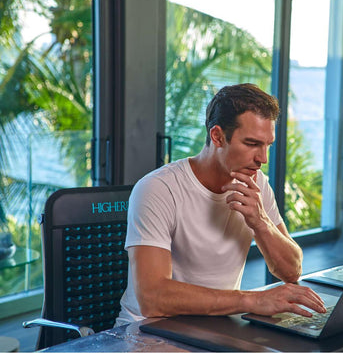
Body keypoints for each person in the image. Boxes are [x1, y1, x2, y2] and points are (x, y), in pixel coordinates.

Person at [115, 83, 326, 326]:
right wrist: (252, 301)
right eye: (251, 144)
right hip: (146, 330)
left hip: (215, 328)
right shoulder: (158, 189)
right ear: (217, 136)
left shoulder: (257, 184)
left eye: (268, 145)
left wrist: (261, 222)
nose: (263, 159)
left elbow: (291, 271)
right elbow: (152, 298)